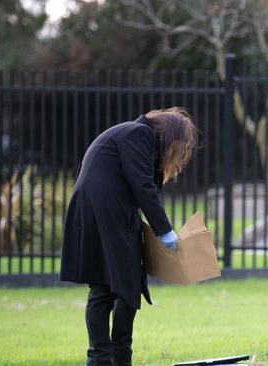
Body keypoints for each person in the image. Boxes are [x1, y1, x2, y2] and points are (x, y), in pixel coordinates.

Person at [60, 107, 198, 366]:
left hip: (103, 211)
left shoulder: (130, 134)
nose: (177, 153)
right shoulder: (139, 134)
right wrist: (164, 230)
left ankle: (108, 357)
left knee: (110, 286)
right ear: (167, 135)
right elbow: (143, 186)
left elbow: (138, 182)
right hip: (107, 211)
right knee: (116, 287)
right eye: (178, 145)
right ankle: (108, 357)